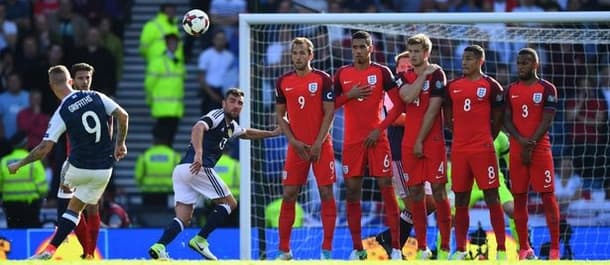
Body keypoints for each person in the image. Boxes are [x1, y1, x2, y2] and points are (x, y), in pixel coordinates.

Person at [11, 65, 128, 260]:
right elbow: (123, 116)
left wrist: (19, 164)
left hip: (78, 166)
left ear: (51, 85)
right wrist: (120, 144)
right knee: (85, 207)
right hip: (104, 169)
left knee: (68, 199)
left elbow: (43, 149)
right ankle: (86, 254)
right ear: (71, 81)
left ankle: (57, 236)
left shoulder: (62, 110)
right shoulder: (97, 96)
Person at [148, 88, 281, 261]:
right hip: (198, 167)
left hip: (182, 171)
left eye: (239, 103)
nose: (235, 106)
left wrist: (271, 133)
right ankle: (200, 239)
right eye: (232, 101)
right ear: (224, 103)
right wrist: (199, 152)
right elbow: (198, 127)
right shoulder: (217, 115)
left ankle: (159, 247)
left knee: (183, 218)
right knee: (230, 203)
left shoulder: (231, 126)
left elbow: (246, 133)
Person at [376, 34, 451, 260]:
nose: (414, 56)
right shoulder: (403, 78)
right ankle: (422, 248)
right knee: (416, 194)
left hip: (432, 141)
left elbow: (433, 110)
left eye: (417, 52)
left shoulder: (438, 73)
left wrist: (420, 139)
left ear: (426, 53)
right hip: (407, 144)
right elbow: (407, 96)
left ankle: (446, 247)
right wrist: (421, 76)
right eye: (411, 52)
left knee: (438, 193)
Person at [333, 30, 401, 260]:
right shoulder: (342, 74)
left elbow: (399, 106)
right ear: (351, 49)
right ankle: (357, 248)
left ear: (371, 48)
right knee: (352, 194)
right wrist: (348, 95)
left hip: (378, 139)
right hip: (352, 143)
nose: (359, 51)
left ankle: (397, 249)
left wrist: (379, 129)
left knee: (387, 189)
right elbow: (330, 106)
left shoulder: (381, 72)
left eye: (363, 46)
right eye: (355, 47)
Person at [274, 37, 336, 260]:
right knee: (289, 194)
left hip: (321, 145)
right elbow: (280, 115)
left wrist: (319, 142)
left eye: (302, 52)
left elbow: (330, 112)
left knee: (326, 193)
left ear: (311, 55)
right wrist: (293, 140)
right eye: (295, 53)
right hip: (296, 147)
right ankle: (284, 250)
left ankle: (327, 250)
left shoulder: (323, 79)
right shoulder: (283, 81)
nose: (298, 56)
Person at [444, 45, 506, 260]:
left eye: (469, 58)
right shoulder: (452, 86)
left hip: (483, 149)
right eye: (463, 58)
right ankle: (461, 249)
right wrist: (460, 133)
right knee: (460, 199)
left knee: (492, 196)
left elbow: (499, 116)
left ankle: (501, 249)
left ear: (480, 60)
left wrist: (488, 136)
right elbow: (447, 117)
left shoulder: (491, 85)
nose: (464, 62)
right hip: (460, 150)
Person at [503, 47, 560, 260]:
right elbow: (507, 119)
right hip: (518, 150)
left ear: (535, 64)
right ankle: (524, 248)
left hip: (540, 150)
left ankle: (555, 248)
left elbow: (547, 119)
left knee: (547, 196)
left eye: (525, 63)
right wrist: (520, 140)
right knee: (519, 197)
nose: (521, 67)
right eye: (519, 63)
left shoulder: (547, 89)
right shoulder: (510, 89)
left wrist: (531, 143)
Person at [145, 33, 185, 147]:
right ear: (166, 45)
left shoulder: (178, 62)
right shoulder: (157, 62)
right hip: (161, 107)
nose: (174, 46)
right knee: (162, 137)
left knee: (169, 137)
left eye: (176, 43)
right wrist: (150, 101)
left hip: (175, 108)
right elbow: (149, 84)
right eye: (171, 43)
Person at [0, 146, 48, 228]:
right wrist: (43, 196)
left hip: (10, 205)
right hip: (30, 205)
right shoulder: (34, 161)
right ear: (26, 146)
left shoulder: (4, 161)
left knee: (13, 231)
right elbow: (42, 186)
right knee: (31, 229)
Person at [134, 133, 181, 207]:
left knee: (148, 215)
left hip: (148, 192)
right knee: (167, 215)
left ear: (154, 141)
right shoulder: (174, 156)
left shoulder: (145, 155)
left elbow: (138, 176)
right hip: (168, 193)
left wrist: (143, 186)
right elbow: (181, 176)